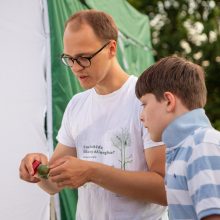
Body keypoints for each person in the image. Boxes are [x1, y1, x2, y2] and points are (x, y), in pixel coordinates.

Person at [19, 9, 167, 220]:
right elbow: (53, 183)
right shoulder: (77, 105)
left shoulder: (145, 100)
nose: (76, 67)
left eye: (84, 57)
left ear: (111, 48)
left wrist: (92, 172)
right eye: (69, 58)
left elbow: (165, 189)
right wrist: (36, 169)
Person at [135, 55, 220, 220]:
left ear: (168, 101)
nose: (141, 116)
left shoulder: (202, 146)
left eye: (144, 104)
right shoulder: (181, 149)